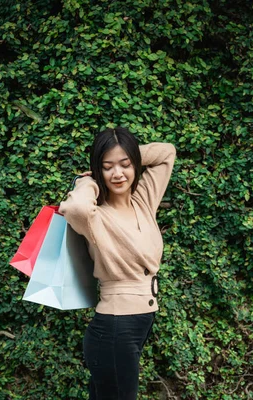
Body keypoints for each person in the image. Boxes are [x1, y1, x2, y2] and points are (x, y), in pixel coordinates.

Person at [58, 126, 176, 400]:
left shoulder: (143, 200)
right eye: (107, 167)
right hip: (114, 328)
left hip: (136, 324)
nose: (118, 173)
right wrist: (87, 181)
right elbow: (74, 208)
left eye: (125, 165)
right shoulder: (94, 215)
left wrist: (131, 153)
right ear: (99, 170)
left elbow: (166, 153)